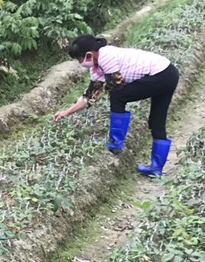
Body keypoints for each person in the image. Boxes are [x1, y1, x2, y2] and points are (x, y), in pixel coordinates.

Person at [53, 34, 179, 177]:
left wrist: (102, 87)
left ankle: (116, 142)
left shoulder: (106, 55)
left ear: (88, 54)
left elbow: (116, 83)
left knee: (117, 96)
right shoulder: (96, 67)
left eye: (79, 59)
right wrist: (66, 112)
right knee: (156, 120)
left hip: (161, 74)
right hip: (168, 73)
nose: (79, 62)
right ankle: (156, 169)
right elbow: (90, 97)